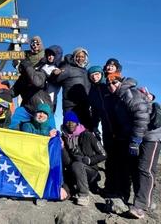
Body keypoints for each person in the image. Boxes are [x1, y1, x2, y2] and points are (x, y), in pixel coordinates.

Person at [106, 77, 151, 207]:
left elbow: (141, 117)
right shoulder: (119, 97)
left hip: (142, 137)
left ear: (121, 82)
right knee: (126, 167)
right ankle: (124, 196)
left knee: (140, 169)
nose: (111, 85)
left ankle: (142, 203)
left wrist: (136, 141)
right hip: (128, 137)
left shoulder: (129, 93)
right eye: (108, 83)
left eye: (114, 82)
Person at [61, 111, 106, 206]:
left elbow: (103, 154)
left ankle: (84, 195)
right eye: (67, 122)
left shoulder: (88, 135)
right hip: (73, 170)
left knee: (77, 165)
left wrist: (90, 160)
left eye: (72, 122)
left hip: (90, 170)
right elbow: (66, 161)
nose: (70, 124)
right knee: (63, 189)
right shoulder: (63, 137)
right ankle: (68, 192)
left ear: (77, 123)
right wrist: (62, 148)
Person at [87, 66, 119, 195]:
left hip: (118, 125)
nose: (95, 77)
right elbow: (95, 112)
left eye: (97, 74)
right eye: (92, 75)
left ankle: (120, 188)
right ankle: (109, 186)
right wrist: (94, 126)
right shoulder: (92, 92)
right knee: (110, 158)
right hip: (106, 127)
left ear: (101, 74)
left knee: (120, 158)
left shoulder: (108, 85)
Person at [9, 59, 54, 130]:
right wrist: (3, 92)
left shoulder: (40, 73)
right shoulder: (21, 80)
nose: (18, 68)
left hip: (44, 109)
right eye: (16, 67)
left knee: (49, 130)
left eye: (20, 66)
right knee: (18, 111)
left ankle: (50, 138)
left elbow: (37, 82)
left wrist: (27, 67)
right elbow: (12, 93)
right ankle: (13, 133)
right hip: (27, 109)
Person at [55, 47, 91, 129]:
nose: (80, 58)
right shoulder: (68, 68)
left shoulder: (86, 71)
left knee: (86, 133)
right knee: (71, 132)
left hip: (84, 107)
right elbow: (56, 79)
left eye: (83, 56)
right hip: (70, 107)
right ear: (74, 57)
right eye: (78, 56)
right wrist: (56, 73)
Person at [37, 45, 63, 112]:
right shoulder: (42, 66)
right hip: (39, 98)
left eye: (53, 55)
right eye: (49, 55)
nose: (50, 57)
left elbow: (57, 81)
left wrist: (55, 74)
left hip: (51, 100)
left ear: (57, 56)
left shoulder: (60, 68)